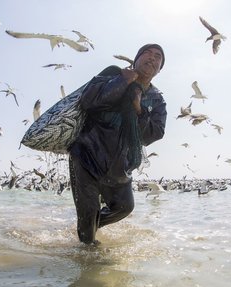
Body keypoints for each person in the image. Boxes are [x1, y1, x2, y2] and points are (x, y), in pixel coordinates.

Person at [68, 44, 167, 244]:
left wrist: (139, 109)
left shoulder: (157, 100)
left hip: (121, 166)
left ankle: (88, 226)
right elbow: (88, 101)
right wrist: (122, 81)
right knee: (88, 217)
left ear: (159, 69)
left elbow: (153, 134)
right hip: (87, 154)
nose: (152, 58)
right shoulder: (113, 73)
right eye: (147, 53)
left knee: (124, 207)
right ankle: (87, 255)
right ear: (135, 59)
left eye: (158, 57)